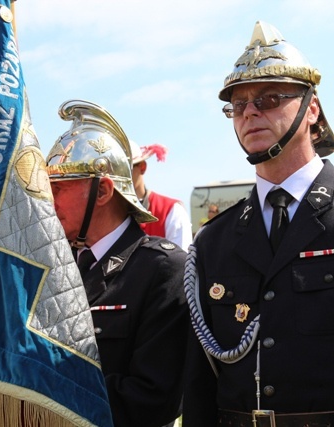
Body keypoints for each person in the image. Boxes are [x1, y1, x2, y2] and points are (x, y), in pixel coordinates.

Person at [184, 21, 334, 426]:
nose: (250, 111)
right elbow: (198, 386)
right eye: (238, 105)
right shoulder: (213, 240)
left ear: (311, 110)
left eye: (269, 99)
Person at [46, 99, 188, 427]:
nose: (50, 201)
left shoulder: (164, 269)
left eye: (60, 188)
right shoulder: (63, 268)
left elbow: (154, 397)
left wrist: (46, 385)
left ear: (103, 191)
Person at [130, 140, 193, 251]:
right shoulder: (106, 213)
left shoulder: (172, 211)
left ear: (142, 167)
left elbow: (180, 264)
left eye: (126, 169)